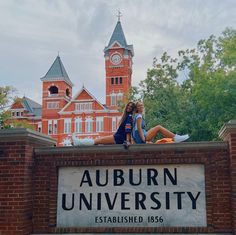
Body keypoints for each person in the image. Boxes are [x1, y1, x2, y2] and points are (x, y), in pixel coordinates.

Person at [72, 101, 136, 146]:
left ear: (133, 109)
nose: (129, 107)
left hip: (119, 138)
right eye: (128, 105)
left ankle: (78, 142)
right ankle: (78, 142)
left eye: (131, 106)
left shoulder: (129, 117)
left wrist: (128, 141)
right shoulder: (127, 117)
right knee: (100, 142)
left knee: (97, 140)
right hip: (118, 137)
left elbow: (128, 130)